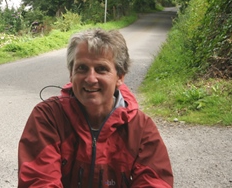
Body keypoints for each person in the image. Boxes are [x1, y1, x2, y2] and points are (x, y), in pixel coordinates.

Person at [18, 28, 173, 188]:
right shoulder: (48, 118)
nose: (91, 79)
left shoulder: (141, 129)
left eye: (101, 69)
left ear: (120, 77)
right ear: (71, 74)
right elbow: (38, 182)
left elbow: (155, 182)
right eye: (82, 68)